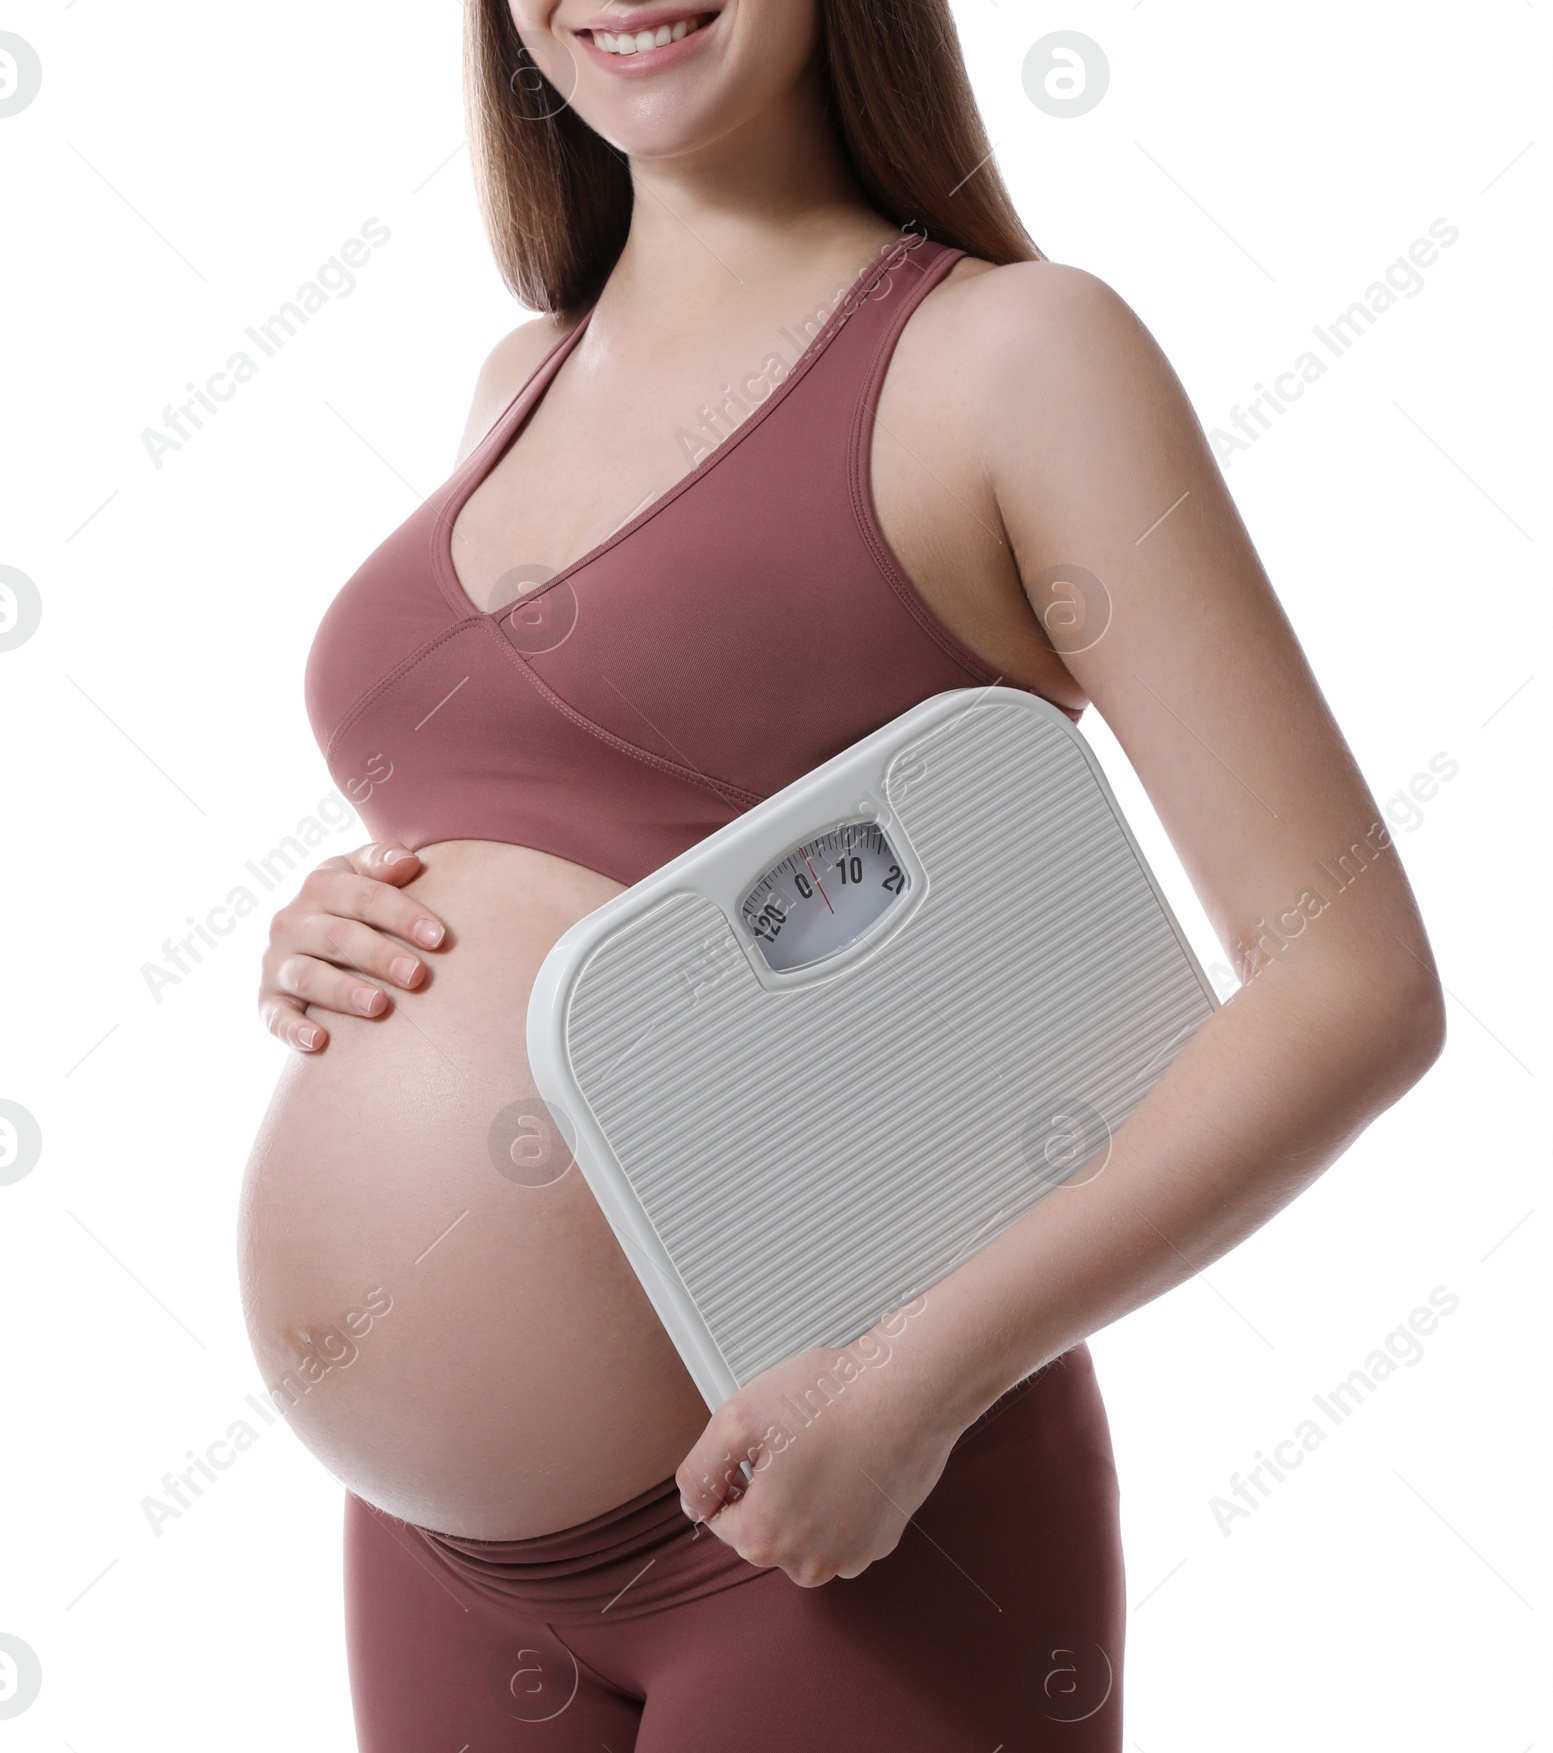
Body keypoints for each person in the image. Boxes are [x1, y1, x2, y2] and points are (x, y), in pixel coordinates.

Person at [239, 3, 1446, 1746]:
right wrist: (338, 937)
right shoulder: (516, 386)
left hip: (845, 1514)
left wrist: (918, 1380)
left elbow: (1355, 990)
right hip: (439, 1551)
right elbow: (590, 860)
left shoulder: (1016, 357)